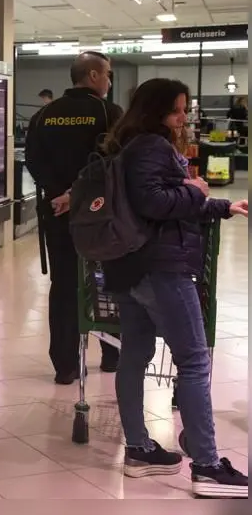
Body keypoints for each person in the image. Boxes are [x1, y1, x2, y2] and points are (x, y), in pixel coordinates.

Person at [101, 78, 248, 499]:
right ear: (155, 110)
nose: (183, 118)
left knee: (134, 355)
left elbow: (161, 201)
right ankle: (206, 464)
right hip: (161, 268)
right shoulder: (151, 145)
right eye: (177, 110)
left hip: (130, 267)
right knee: (195, 361)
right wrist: (196, 190)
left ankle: (139, 449)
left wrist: (221, 206)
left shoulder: (128, 145)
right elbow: (155, 203)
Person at [24, 51, 122, 384]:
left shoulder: (44, 115)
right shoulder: (110, 114)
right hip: (101, 216)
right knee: (108, 280)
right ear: (93, 75)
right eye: (107, 73)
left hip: (56, 212)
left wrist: (59, 194)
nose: (109, 80)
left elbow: (33, 161)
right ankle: (112, 355)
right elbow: (115, 164)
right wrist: (82, 194)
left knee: (64, 283)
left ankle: (64, 365)